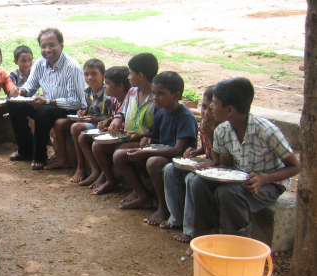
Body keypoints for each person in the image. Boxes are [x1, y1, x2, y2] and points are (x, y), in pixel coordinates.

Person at [187, 77, 299, 254]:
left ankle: (236, 246)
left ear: (229, 109)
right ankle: (203, 240)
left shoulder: (266, 131)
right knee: (199, 183)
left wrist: (264, 179)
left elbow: (294, 167)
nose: (210, 108)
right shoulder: (223, 131)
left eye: (214, 104)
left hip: (268, 184)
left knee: (228, 193)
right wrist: (211, 169)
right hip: (239, 179)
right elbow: (226, 166)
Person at [113, 71, 197, 225]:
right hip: (160, 151)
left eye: (160, 94)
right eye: (154, 93)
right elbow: (157, 137)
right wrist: (145, 138)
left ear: (176, 95)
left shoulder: (185, 116)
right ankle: (143, 196)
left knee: (153, 162)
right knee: (120, 155)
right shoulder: (162, 113)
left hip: (179, 159)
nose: (155, 98)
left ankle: (163, 208)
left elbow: (179, 149)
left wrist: (146, 151)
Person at [7, 27, 86, 170]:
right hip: (46, 105)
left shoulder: (72, 67)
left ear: (61, 45)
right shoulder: (40, 63)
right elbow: (30, 87)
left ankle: (40, 156)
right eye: (43, 46)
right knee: (13, 103)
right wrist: (20, 90)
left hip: (68, 109)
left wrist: (48, 101)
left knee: (44, 111)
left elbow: (76, 102)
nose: (47, 50)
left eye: (52, 45)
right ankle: (26, 150)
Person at [91, 52, 158, 195]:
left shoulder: (156, 98)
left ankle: (140, 192)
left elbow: (160, 130)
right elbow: (122, 110)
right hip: (128, 136)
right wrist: (117, 118)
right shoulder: (133, 92)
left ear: (140, 76)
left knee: (120, 152)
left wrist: (142, 135)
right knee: (97, 146)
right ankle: (110, 180)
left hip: (145, 140)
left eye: (131, 74)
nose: (129, 77)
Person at [162, 86, 220, 243]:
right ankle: (176, 218)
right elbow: (206, 148)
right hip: (207, 161)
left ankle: (190, 229)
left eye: (211, 108)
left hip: (218, 166)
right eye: (203, 106)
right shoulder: (206, 124)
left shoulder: (221, 128)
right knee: (169, 169)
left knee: (191, 179)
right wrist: (195, 152)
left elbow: (220, 159)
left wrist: (211, 136)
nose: (206, 112)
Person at [45, 59, 114, 177]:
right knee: (59, 123)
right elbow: (88, 109)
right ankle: (63, 160)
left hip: (101, 124)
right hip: (89, 120)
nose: (89, 77)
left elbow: (112, 117)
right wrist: (82, 112)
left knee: (76, 127)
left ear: (102, 75)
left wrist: (95, 119)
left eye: (94, 74)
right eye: (86, 74)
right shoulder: (87, 92)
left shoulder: (107, 95)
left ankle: (81, 167)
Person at [78, 66, 130, 187]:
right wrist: (107, 121)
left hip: (125, 136)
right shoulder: (114, 100)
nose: (104, 86)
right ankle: (96, 171)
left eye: (107, 83)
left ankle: (107, 178)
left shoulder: (128, 99)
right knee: (83, 137)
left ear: (120, 86)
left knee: (98, 145)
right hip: (115, 133)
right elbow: (115, 116)